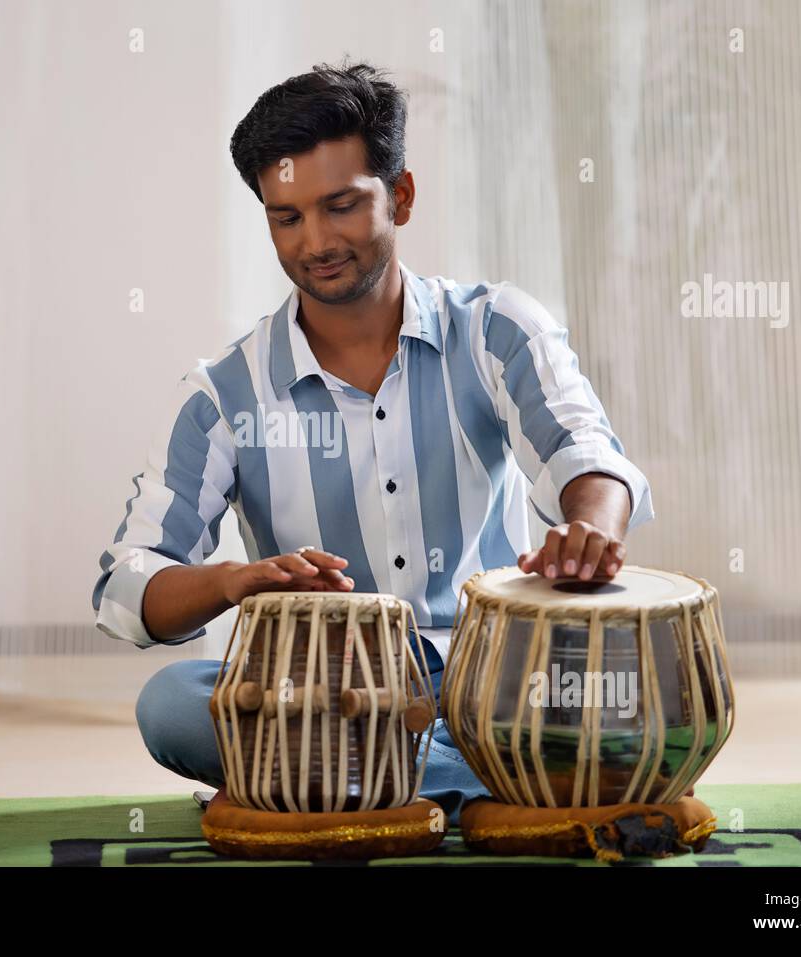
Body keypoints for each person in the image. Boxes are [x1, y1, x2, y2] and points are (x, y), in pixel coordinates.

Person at [92, 61, 654, 825]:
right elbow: (128, 582)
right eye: (286, 216)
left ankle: (331, 790)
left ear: (403, 196)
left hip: (490, 687)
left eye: (342, 206)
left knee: (622, 694)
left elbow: (587, 454)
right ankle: (495, 796)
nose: (316, 240)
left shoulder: (493, 329)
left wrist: (591, 529)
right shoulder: (226, 393)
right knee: (170, 705)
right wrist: (234, 582)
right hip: (326, 693)